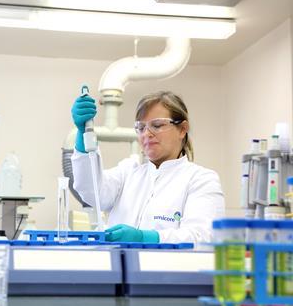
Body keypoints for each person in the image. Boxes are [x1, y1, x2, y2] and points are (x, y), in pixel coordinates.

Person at [70, 90, 225, 244]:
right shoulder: (128, 172)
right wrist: (84, 134)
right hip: (119, 266)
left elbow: (202, 237)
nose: (147, 134)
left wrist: (146, 238)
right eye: (141, 127)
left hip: (166, 268)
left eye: (157, 125)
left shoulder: (201, 180)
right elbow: (91, 191)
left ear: (182, 129)